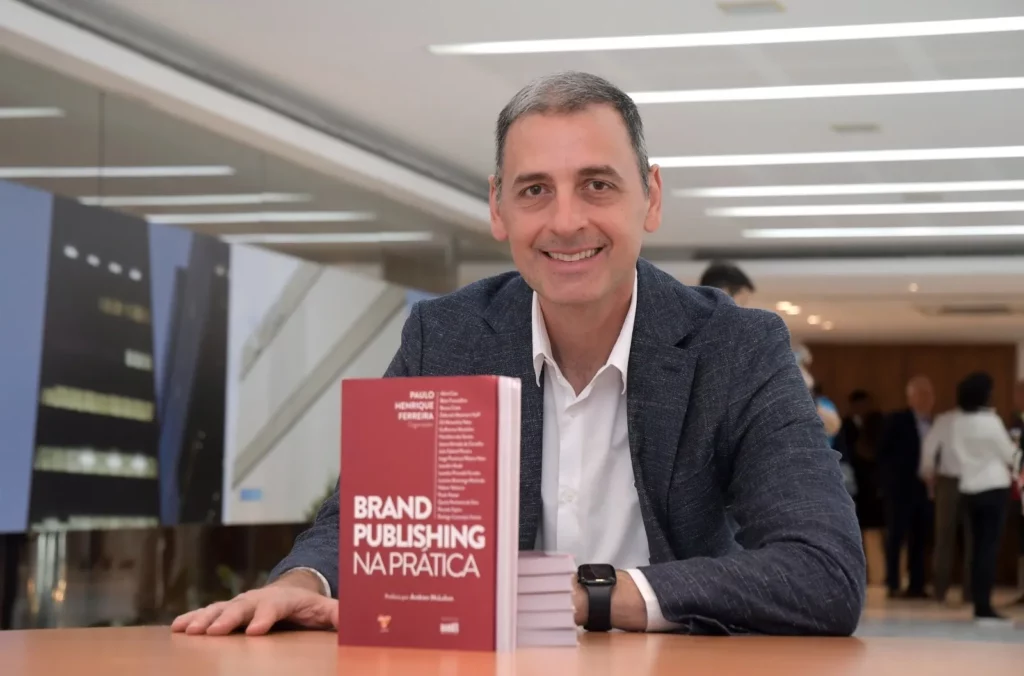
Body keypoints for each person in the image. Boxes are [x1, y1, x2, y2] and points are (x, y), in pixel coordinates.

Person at [171, 71, 864, 637]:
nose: (566, 221)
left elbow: (824, 572)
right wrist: (303, 583)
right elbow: (361, 522)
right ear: (498, 208)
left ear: (650, 198)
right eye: (535, 190)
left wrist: (589, 597)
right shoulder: (445, 338)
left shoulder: (736, 348)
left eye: (597, 184)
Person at [948, 372, 1018, 622]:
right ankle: (985, 606)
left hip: (969, 489)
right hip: (994, 488)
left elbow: (955, 455)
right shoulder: (991, 421)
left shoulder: (957, 422)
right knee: (989, 549)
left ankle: (978, 603)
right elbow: (1010, 455)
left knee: (976, 549)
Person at [877, 376, 934, 599]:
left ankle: (917, 585)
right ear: (910, 398)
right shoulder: (897, 420)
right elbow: (882, 452)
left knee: (920, 537)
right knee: (896, 536)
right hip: (900, 489)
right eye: (921, 394)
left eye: (929, 395)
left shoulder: (935, 423)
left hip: (925, 489)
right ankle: (893, 583)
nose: (926, 399)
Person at [919, 407, 972, 604]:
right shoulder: (986, 419)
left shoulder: (946, 419)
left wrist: (928, 471)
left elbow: (929, 447)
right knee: (970, 538)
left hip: (952, 481)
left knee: (944, 537)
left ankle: (941, 590)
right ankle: (968, 592)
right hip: (971, 480)